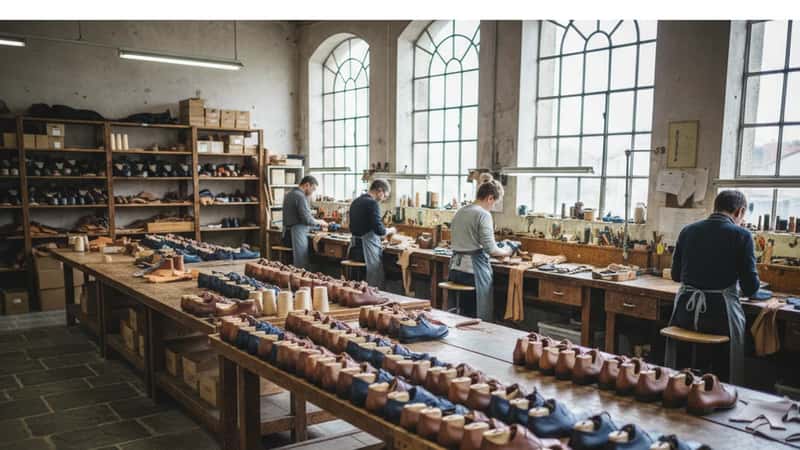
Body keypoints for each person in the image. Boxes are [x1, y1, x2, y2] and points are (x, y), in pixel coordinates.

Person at [665, 190, 760, 384]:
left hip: (685, 315)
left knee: (686, 358)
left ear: (715, 207)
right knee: (731, 356)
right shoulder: (742, 235)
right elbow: (751, 288)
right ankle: (723, 391)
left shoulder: (688, 230)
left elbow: (676, 275)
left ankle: (679, 387)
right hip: (719, 317)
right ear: (740, 211)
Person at [447, 177, 513, 320]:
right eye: (494, 203)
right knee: (481, 311)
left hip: (455, 271)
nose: (492, 207)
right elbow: (491, 249)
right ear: (490, 198)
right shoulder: (483, 214)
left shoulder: (460, 211)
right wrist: (506, 251)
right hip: (472, 273)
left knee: (465, 310)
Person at [347, 179, 396, 288]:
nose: (383, 199)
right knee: (376, 279)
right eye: (385, 196)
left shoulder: (356, 201)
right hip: (366, 253)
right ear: (380, 191)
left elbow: (352, 226)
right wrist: (391, 230)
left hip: (354, 250)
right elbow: (380, 230)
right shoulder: (372, 203)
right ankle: (374, 299)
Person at [282, 176, 327, 269]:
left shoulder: (289, 194)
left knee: (299, 262)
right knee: (301, 263)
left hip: (287, 232)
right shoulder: (300, 196)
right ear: (307, 185)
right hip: (297, 231)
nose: (312, 192)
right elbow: (307, 220)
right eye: (313, 189)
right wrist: (320, 222)